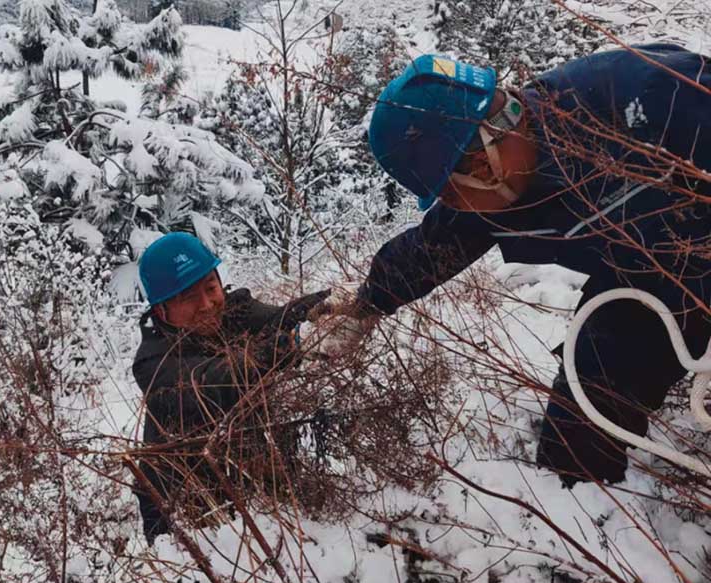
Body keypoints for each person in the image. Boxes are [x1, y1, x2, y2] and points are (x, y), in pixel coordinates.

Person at [319, 45, 711, 486]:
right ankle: (587, 506)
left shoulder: (652, 93)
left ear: (484, 162)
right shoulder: (488, 197)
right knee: (591, 380)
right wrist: (364, 309)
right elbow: (428, 250)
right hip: (645, 280)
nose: (456, 207)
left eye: (450, 193)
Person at [132, 232, 329, 544]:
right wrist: (276, 352)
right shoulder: (153, 363)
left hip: (250, 483)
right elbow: (214, 382)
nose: (208, 305)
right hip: (184, 514)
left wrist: (325, 310)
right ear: (161, 312)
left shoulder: (234, 311)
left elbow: (281, 319)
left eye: (211, 288)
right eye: (188, 298)